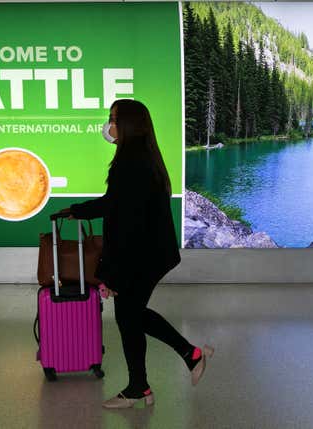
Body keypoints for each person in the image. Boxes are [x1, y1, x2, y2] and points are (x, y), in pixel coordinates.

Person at [60, 99, 214, 409]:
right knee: (130, 315)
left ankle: (161, 374)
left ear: (128, 124)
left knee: (129, 315)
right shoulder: (139, 156)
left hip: (142, 253)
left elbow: (125, 222)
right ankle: (152, 378)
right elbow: (116, 205)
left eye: (114, 119)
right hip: (150, 252)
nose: (109, 125)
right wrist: (79, 211)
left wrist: (109, 272)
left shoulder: (131, 162)